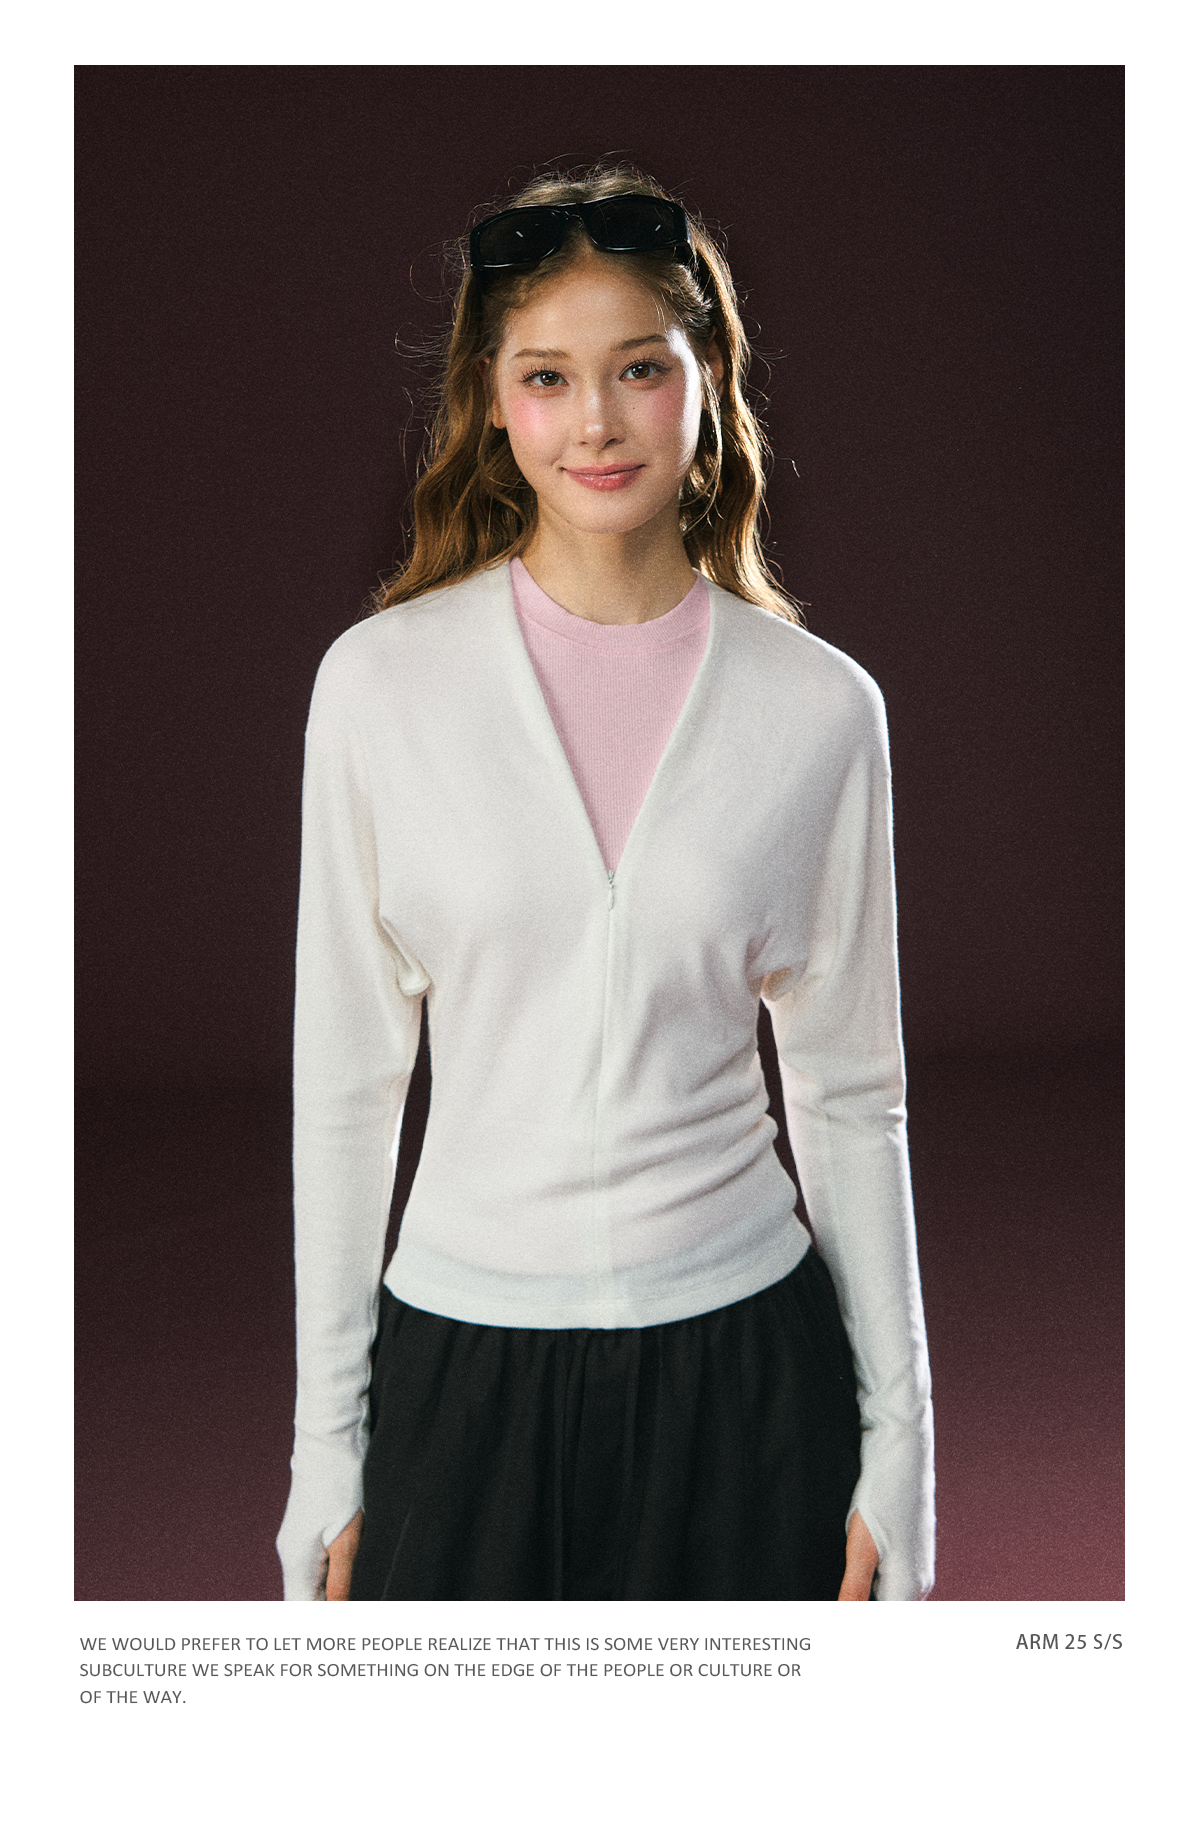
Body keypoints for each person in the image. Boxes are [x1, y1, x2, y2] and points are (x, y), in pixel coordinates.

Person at [275, 164, 935, 1603]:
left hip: (749, 1376)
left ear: (709, 382)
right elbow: (346, 1090)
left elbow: (850, 1093)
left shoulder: (821, 710)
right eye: (546, 376)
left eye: (639, 367)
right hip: (461, 1372)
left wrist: (903, 1444)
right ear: (492, 404)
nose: (595, 420)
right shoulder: (379, 686)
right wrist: (327, 1443)